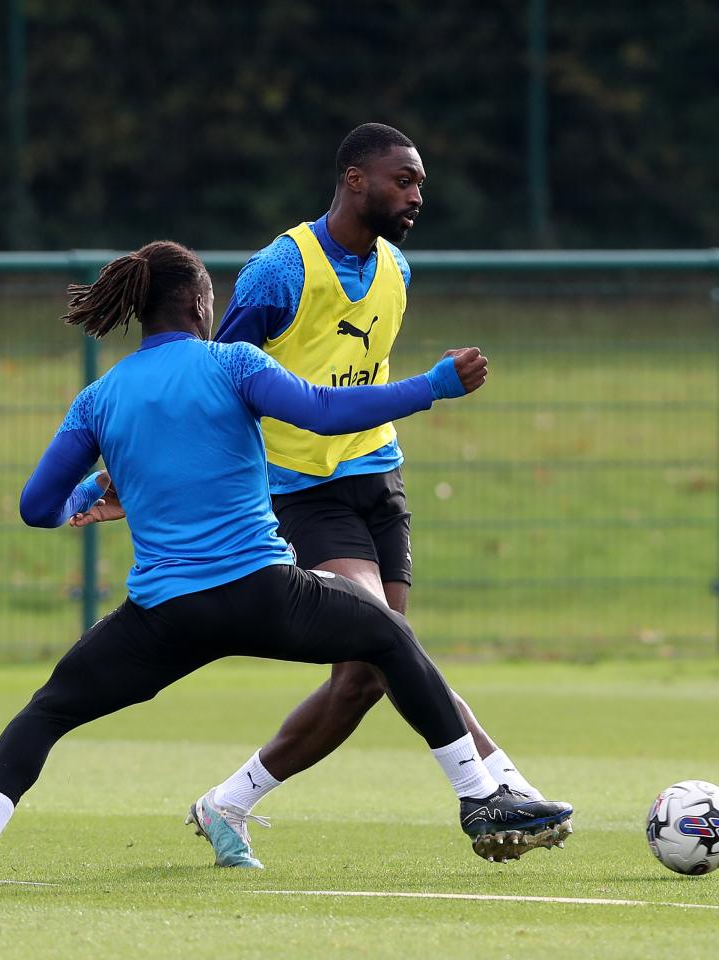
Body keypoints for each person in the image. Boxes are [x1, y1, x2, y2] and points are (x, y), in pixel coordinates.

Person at [0, 240, 572, 886]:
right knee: (388, 634)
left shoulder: (101, 398)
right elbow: (320, 411)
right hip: (264, 596)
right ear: (200, 302)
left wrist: (90, 493)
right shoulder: (233, 364)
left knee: (47, 712)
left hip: (164, 618)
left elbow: (35, 507)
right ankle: (480, 796)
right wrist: (433, 385)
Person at [179, 123, 572, 867]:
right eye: (405, 180)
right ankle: (497, 786)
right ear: (355, 179)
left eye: (420, 182)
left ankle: (227, 801)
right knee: (391, 641)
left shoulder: (397, 268)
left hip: (379, 481)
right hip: (304, 491)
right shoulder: (279, 271)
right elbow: (217, 380)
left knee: (367, 672)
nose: (417, 195)